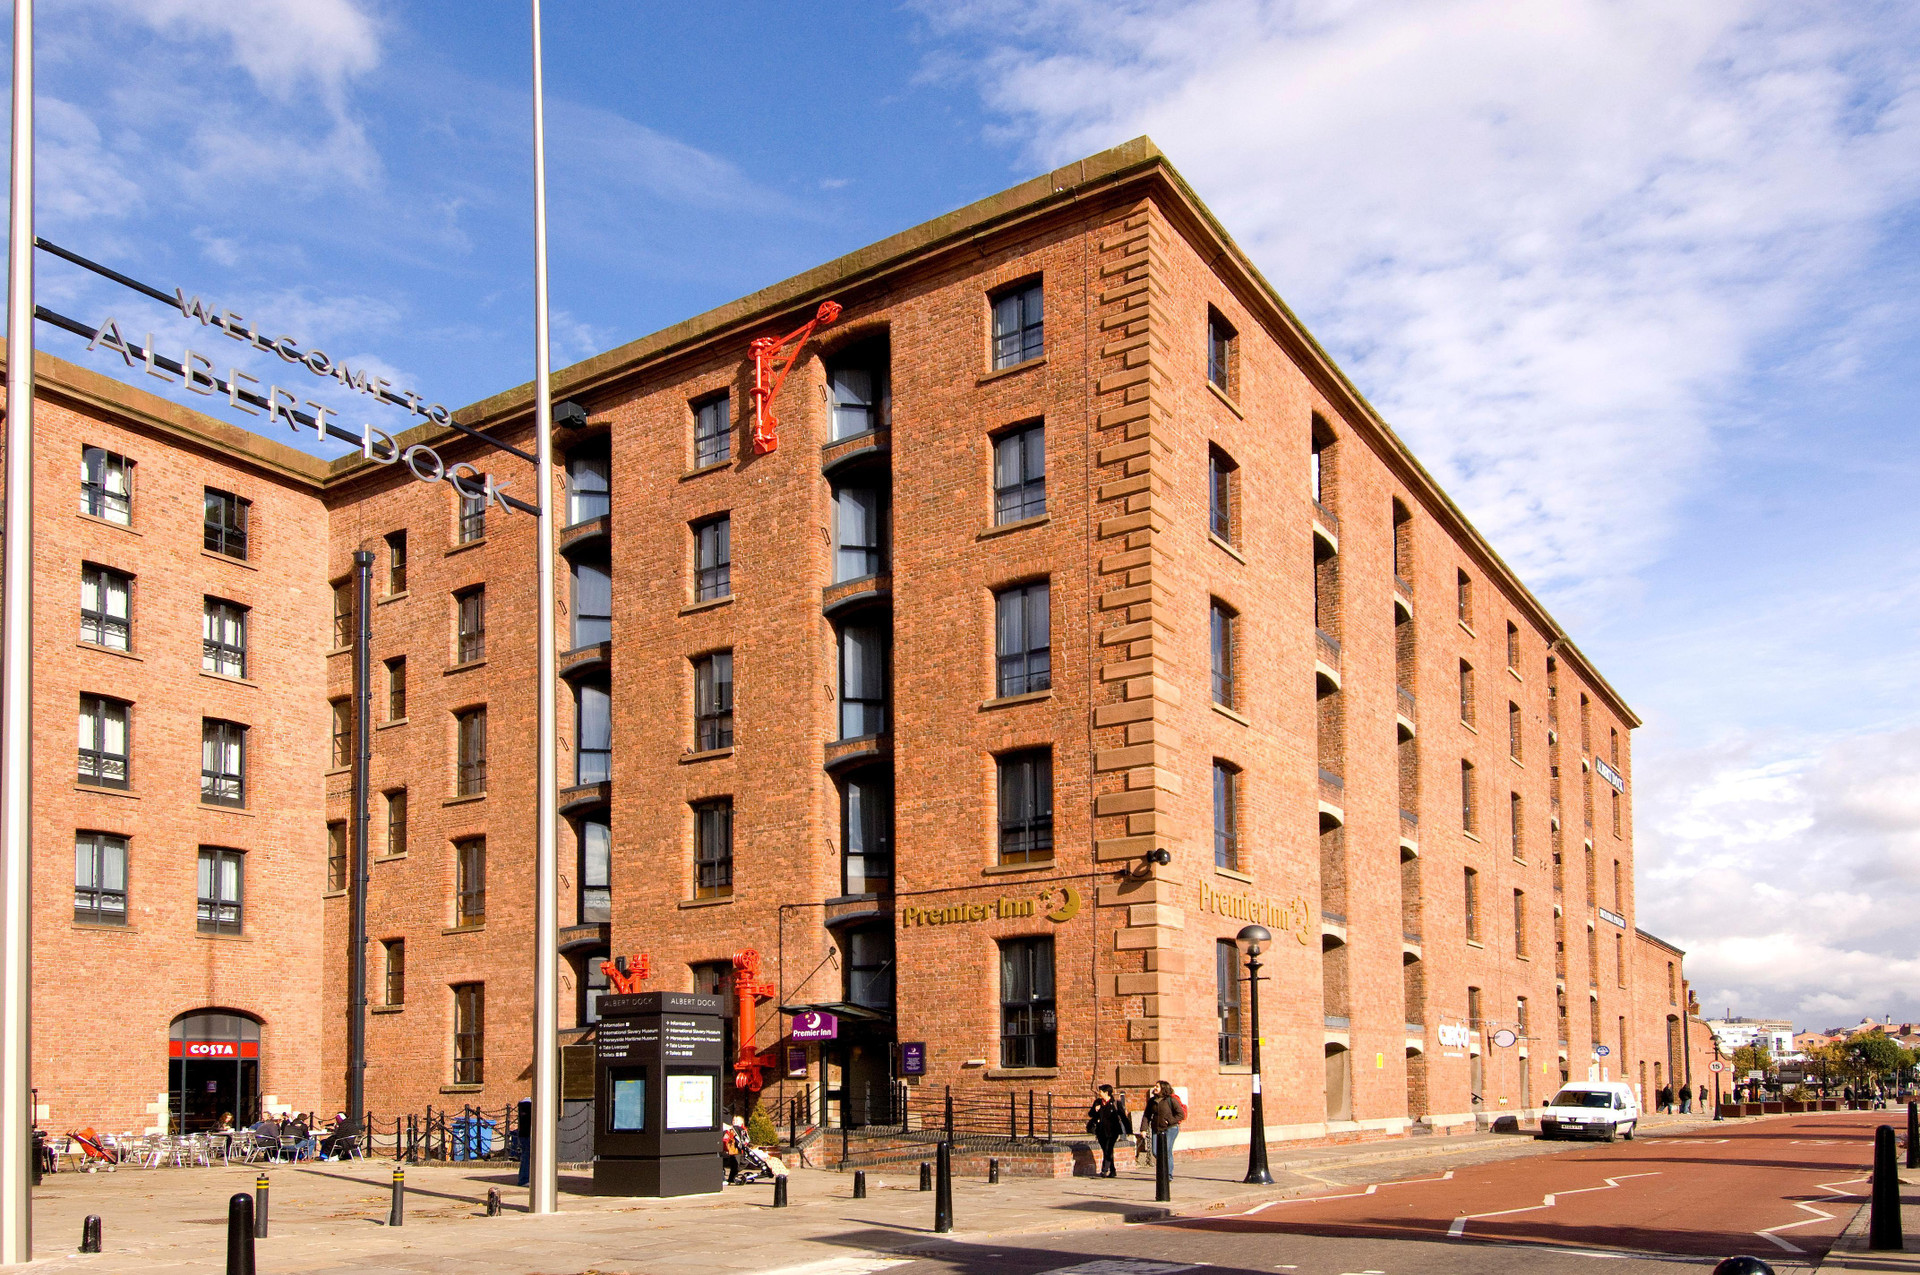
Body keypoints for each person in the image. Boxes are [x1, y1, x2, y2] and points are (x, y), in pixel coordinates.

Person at [1086, 1084, 1131, 1178]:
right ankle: (1113, 1170)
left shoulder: (1115, 1103)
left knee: (1108, 1149)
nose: (1099, 1093)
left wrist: (1128, 1130)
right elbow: (1090, 1114)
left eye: (1101, 1091)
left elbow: (1123, 1117)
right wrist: (1095, 1110)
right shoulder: (1098, 1102)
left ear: (1106, 1093)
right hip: (1101, 1130)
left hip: (1113, 1131)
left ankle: (1104, 1170)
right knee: (1106, 1151)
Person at [1144, 1080, 1186, 1177]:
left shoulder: (1171, 1100)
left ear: (1163, 1088)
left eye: (1157, 1086)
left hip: (1171, 1129)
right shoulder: (1152, 1101)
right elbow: (1147, 1115)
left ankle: (1168, 1174)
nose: (1155, 1088)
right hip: (1156, 1129)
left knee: (1166, 1151)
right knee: (1155, 1151)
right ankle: (1163, 1169)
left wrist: (1170, 1121)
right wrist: (1143, 1129)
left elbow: (1181, 1114)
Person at [722, 1116, 744, 1184]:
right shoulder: (729, 1130)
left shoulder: (740, 1129)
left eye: (737, 1121)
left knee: (736, 1162)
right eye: (734, 1120)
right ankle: (731, 1177)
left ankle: (732, 1177)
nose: (735, 1122)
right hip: (729, 1149)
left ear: (742, 1123)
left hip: (736, 1150)